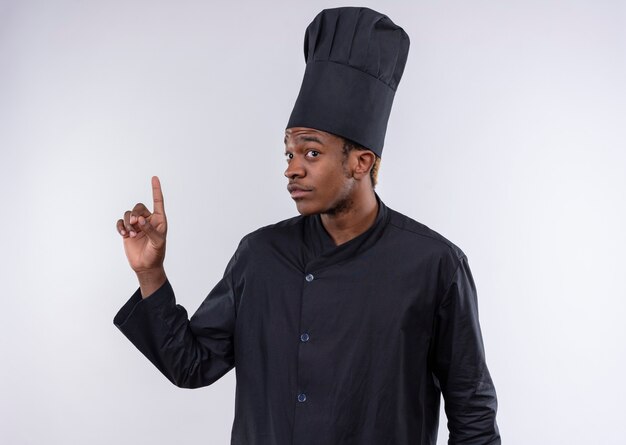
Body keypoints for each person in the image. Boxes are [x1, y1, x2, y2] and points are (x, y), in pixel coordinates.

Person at [114, 7, 500, 445]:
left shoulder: (434, 266)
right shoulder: (259, 255)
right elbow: (192, 365)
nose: (292, 169)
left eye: (311, 153)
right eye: (289, 153)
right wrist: (150, 272)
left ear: (361, 161)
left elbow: (473, 416)